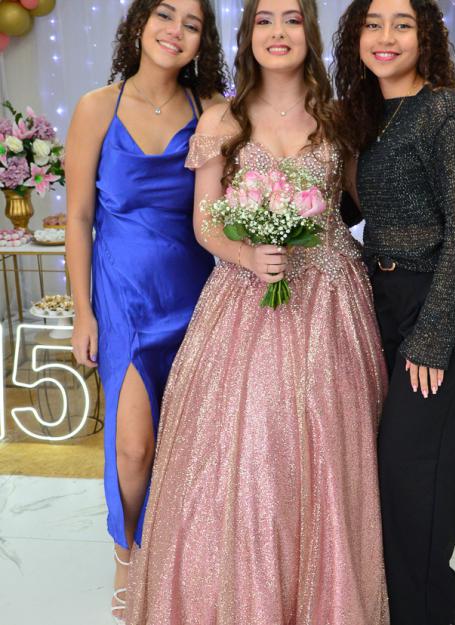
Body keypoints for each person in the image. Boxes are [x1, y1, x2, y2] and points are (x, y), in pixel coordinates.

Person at [125, 0, 389, 623]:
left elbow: (365, 200)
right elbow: (206, 224)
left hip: (331, 300)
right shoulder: (224, 117)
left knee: (328, 453)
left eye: (291, 19)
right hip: (245, 299)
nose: (278, 32)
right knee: (250, 452)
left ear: (309, 32)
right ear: (248, 35)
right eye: (265, 20)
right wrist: (249, 254)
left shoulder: (338, 117)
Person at [64, 0, 226, 620]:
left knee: (188, 444)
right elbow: (79, 217)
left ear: (202, 41)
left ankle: (176, 553)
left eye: (192, 24)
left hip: (197, 296)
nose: (175, 31)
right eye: (164, 15)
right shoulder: (96, 107)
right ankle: (127, 552)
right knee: (133, 447)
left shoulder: (211, 109)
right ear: (139, 24)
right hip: (123, 297)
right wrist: (84, 312)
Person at [334, 1, 455, 624]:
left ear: (424, 37)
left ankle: (428, 610)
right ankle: (391, 601)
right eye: (373, 24)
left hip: (441, 300)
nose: (386, 36)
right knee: (381, 462)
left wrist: (432, 337)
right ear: (356, 37)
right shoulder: (365, 113)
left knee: (414, 466)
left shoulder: (442, 111)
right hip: (382, 299)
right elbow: (354, 210)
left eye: (402, 24)